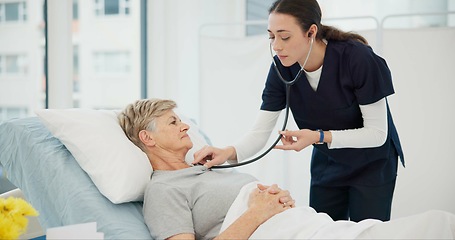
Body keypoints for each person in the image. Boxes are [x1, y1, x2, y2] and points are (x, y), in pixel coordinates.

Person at [193, 0, 404, 222]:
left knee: (367, 234)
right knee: (323, 232)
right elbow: (260, 132)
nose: (276, 45)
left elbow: (377, 134)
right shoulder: (281, 69)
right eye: (271, 36)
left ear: (311, 32)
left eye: (284, 37)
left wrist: (319, 136)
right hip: (328, 163)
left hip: (372, 163)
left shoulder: (357, 59)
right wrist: (228, 152)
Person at [118, 98, 296, 240]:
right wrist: (258, 212)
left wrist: (279, 201)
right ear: (147, 138)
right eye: (173, 123)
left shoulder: (206, 170)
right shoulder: (163, 189)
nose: (185, 126)